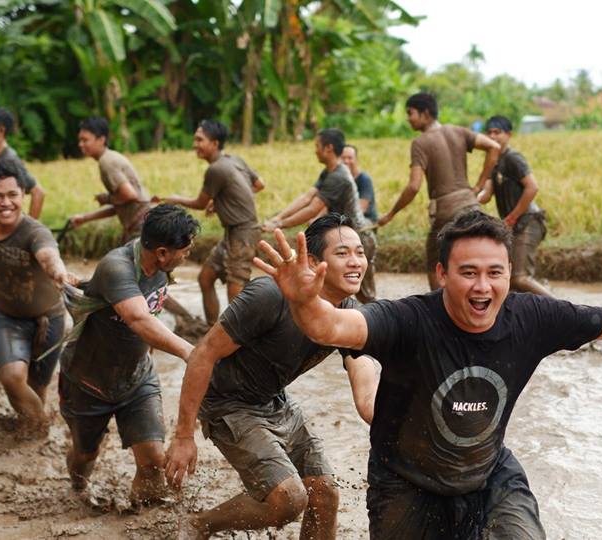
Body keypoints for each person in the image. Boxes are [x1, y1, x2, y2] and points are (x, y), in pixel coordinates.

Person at [254, 210, 602, 539]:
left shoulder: (531, 317)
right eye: (468, 272)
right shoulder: (408, 319)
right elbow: (334, 324)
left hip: (488, 475)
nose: (483, 286)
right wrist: (304, 303)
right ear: (442, 275)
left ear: (507, 275)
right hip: (405, 484)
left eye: (494, 272)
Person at [163, 214, 381, 540]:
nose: (356, 262)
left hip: (273, 399)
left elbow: (362, 370)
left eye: (360, 252)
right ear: (313, 261)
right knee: (289, 499)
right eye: (343, 253)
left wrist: (385, 418)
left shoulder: (347, 313)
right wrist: (183, 435)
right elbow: (203, 353)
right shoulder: (270, 295)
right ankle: (201, 524)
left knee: (325, 496)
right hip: (228, 403)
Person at [60, 205, 199, 505]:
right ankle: (78, 489)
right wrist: (190, 351)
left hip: (137, 379)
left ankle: (140, 521)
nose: (187, 255)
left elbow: (153, 314)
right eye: (185, 250)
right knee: (86, 455)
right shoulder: (117, 267)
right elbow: (139, 320)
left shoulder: (160, 269)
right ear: (162, 252)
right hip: (88, 382)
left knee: (152, 461)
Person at [0, 160, 77, 434]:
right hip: (7, 317)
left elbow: (49, 255)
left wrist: (60, 273)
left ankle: (30, 430)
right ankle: (43, 428)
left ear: (24, 196)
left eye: (12, 195)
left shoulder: (34, 231)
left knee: (37, 387)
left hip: (49, 320)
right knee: (12, 377)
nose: (6, 203)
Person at [377, 92, 501, 290]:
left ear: (425, 114)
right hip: (473, 208)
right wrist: (478, 185)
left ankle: (439, 315)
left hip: (446, 214)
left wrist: (390, 214)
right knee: (475, 264)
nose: (408, 118)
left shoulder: (420, 143)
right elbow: (494, 147)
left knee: (435, 265)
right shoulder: (459, 131)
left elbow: (413, 186)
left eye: (411, 113)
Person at [156, 120, 265, 325]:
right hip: (232, 233)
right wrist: (223, 200)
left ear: (214, 143)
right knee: (205, 278)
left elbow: (199, 203)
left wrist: (174, 199)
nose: (195, 144)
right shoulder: (234, 160)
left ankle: (238, 338)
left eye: (200, 140)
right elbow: (258, 185)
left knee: (236, 285)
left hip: (243, 233)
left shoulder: (216, 169)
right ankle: (212, 330)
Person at [264, 129, 377, 303]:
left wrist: (281, 224)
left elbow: (312, 209)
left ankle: (375, 327)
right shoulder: (329, 172)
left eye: (317, 146)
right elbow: (307, 197)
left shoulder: (338, 176)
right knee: (332, 286)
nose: (315, 150)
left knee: (364, 293)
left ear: (328, 148)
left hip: (357, 237)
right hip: (343, 235)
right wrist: (278, 218)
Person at [476, 115, 554, 298]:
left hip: (528, 222)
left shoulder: (513, 158)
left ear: (508, 134)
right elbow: (486, 194)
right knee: (510, 280)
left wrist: (512, 217)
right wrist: (468, 197)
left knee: (519, 278)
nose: (493, 136)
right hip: (514, 225)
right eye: (489, 133)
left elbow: (532, 187)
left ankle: (565, 311)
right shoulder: (493, 161)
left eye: (498, 132)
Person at [70, 117, 151, 243]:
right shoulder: (109, 158)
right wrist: (85, 218)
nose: (80, 144)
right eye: (80, 140)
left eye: (85, 140)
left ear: (101, 140)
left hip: (141, 227)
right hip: (142, 224)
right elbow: (120, 203)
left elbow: (129, 195)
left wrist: (107, 199)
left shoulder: (107, 162)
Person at [340, 144, 379, 224]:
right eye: (343, 158)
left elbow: (361, 208)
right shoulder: (337, 179)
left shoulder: (364, 180)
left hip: (364, 219)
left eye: (350, 158)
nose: (346, 161)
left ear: (356, 160)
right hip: (345, 217)